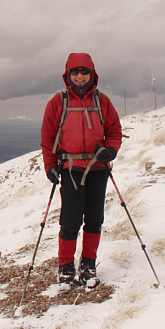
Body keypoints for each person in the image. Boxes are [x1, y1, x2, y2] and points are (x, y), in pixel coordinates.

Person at [40, 53, 123, 288]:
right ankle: (65, 267)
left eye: (84, 71)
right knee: (70, 220)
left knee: (95, 219)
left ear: (92, 73)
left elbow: (115, 131)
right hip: (71, 168)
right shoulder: (58, 103)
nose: (79, 75)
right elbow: (47, 139)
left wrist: (111, 150)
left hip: (98, 167)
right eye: (74, 71)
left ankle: (88, 266)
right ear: (67, 74)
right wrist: (50, 166)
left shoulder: (102, 101)